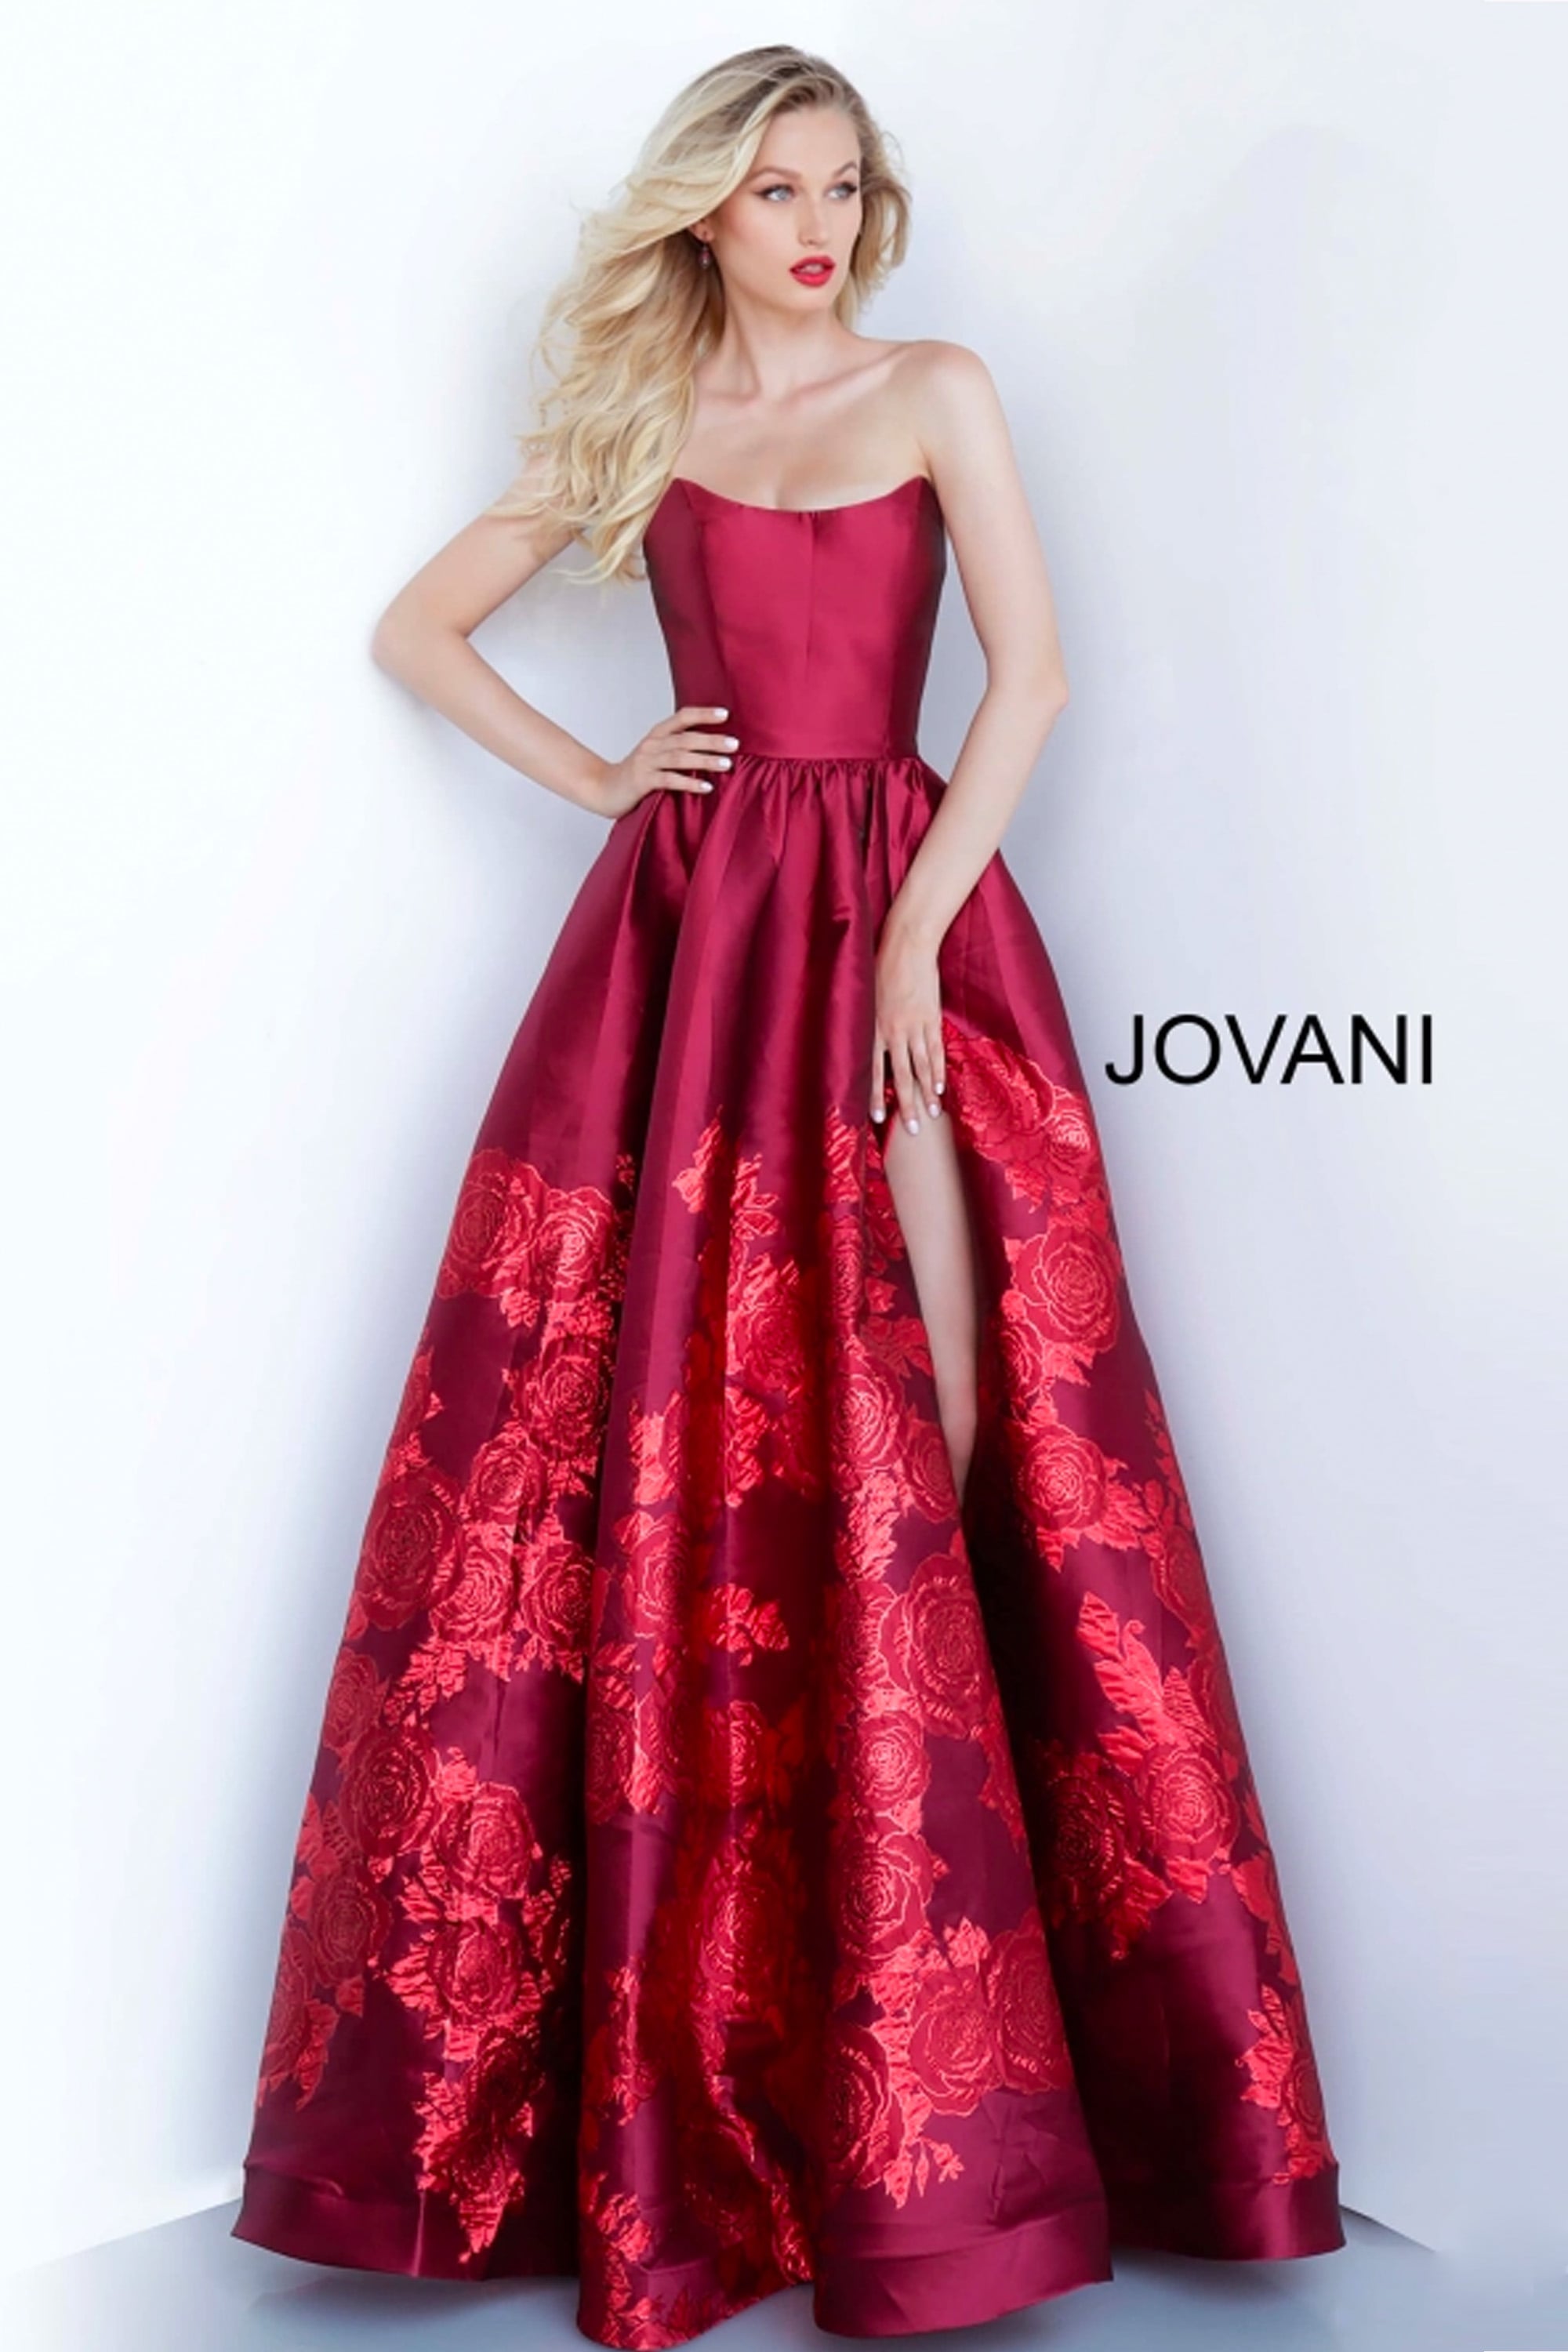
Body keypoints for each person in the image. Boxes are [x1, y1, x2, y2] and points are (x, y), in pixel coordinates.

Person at [231, 42, 1345, 2348]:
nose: (820, 226)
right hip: (696, 951)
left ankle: (955, 2088)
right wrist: (604, 778)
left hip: (904, 925)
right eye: (777, 191)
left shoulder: (938, 389)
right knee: (645, 1460)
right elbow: (418, 628)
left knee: (946, 1423)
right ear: (705, 215)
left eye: (844, 186)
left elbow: (1030, 683)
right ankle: (709, 2095)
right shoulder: (648, 424)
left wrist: (916, 939)